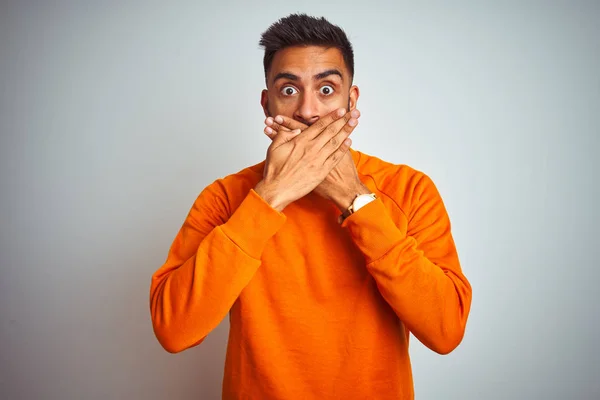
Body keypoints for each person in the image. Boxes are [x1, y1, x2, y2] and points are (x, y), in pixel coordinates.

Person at [150, 13, 472, 400]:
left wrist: (356, 200)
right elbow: (174, 330)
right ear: (266, 103)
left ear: (351, 100)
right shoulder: (225, 197)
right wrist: (270, 197)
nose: (307, 111)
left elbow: (446, 330)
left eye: (326, 89)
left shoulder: (409, 191)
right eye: (288, 90)